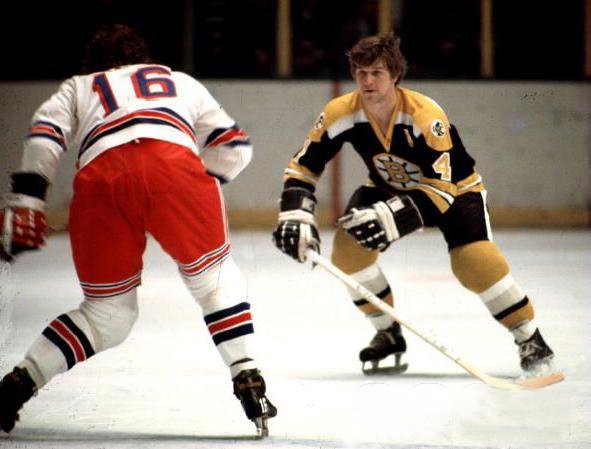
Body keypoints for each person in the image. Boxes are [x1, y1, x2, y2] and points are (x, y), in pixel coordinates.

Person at [0, 24, 276, 437]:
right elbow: (235, 147)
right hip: (174, 167)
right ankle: (247, 376)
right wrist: (201, 183)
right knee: (214, 279)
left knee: (107, 315)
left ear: (97, 65)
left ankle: (17, 385)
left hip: (100, 178)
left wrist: (28, 199)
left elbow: (45, 134)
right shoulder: (179, 80)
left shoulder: (80, 85)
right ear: (144, 58)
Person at [272, 32, 555, 375]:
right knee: (347, 251)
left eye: (376, 72)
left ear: (395, 76)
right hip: (387, 185)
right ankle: (387, 333)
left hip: (455, 190)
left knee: (474, 261)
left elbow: (441, 187)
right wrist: (296, 212)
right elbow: (303, 166)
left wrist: (393, 217)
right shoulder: (340, 112)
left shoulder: (426, 115)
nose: (368, 80)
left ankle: (529, 336)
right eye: (361, 73)